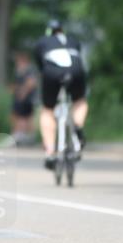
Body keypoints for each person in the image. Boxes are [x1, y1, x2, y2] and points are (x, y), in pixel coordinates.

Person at [34, 19, 88, 170]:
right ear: (62, 31)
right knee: (80, 101)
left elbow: (40, 65)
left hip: (52, 72)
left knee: (47, 110)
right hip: (76, 70)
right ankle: (77, 127)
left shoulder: (42, 42)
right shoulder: (72, 40)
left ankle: (50, 152)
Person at [10, 51, 38, 145]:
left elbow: (31, 83)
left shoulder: (29, 70)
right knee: (19, 116)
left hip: (26, 99)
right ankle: (20, 135)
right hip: (20, 97)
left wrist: (23, 93)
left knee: (23, 117)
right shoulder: (19, 71)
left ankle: (22, 136)